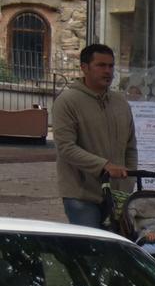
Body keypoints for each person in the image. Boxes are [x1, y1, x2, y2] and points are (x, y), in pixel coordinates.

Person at [51, 44, 135, 228]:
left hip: (117, 195)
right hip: (82, 194)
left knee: (117, 249)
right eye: (101, 65)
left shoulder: (120, 103)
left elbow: (130, 146)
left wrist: (129, 181)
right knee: (91, 250)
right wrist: (103, 166)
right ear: (84, 67)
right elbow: (66, 147)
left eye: (111, 66)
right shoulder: (67, 102)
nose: (107, 71)